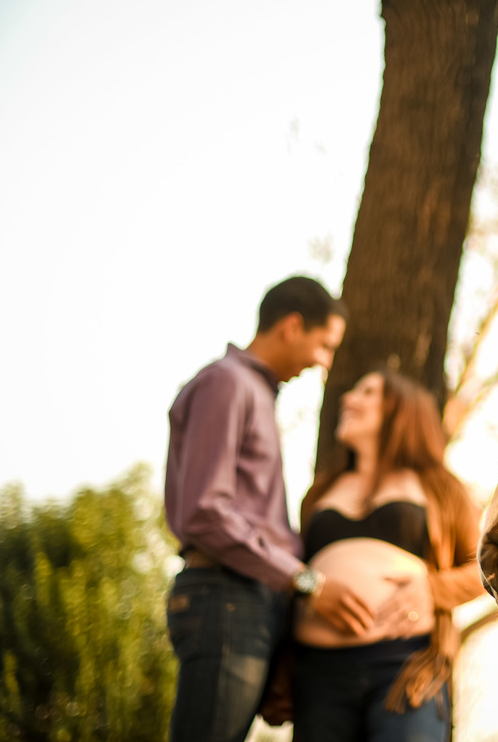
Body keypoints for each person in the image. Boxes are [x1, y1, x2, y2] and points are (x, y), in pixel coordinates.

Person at [164, 275, 347, 742]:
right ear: (291, 326)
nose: (323, 363)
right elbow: (205, 512)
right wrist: (302, 580)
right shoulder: (228, 384)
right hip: (228, 599)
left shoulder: (254, 392)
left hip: (245, 600)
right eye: (323, 346)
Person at [289, 369, 485, 742]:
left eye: (367, 392)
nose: (348, 399)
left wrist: (433, 589)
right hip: (317, 676)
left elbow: (489, 570)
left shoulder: (442, 488)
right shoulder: (319, 491)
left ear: (403, 410)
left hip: (406, 669)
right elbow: (294, 573)